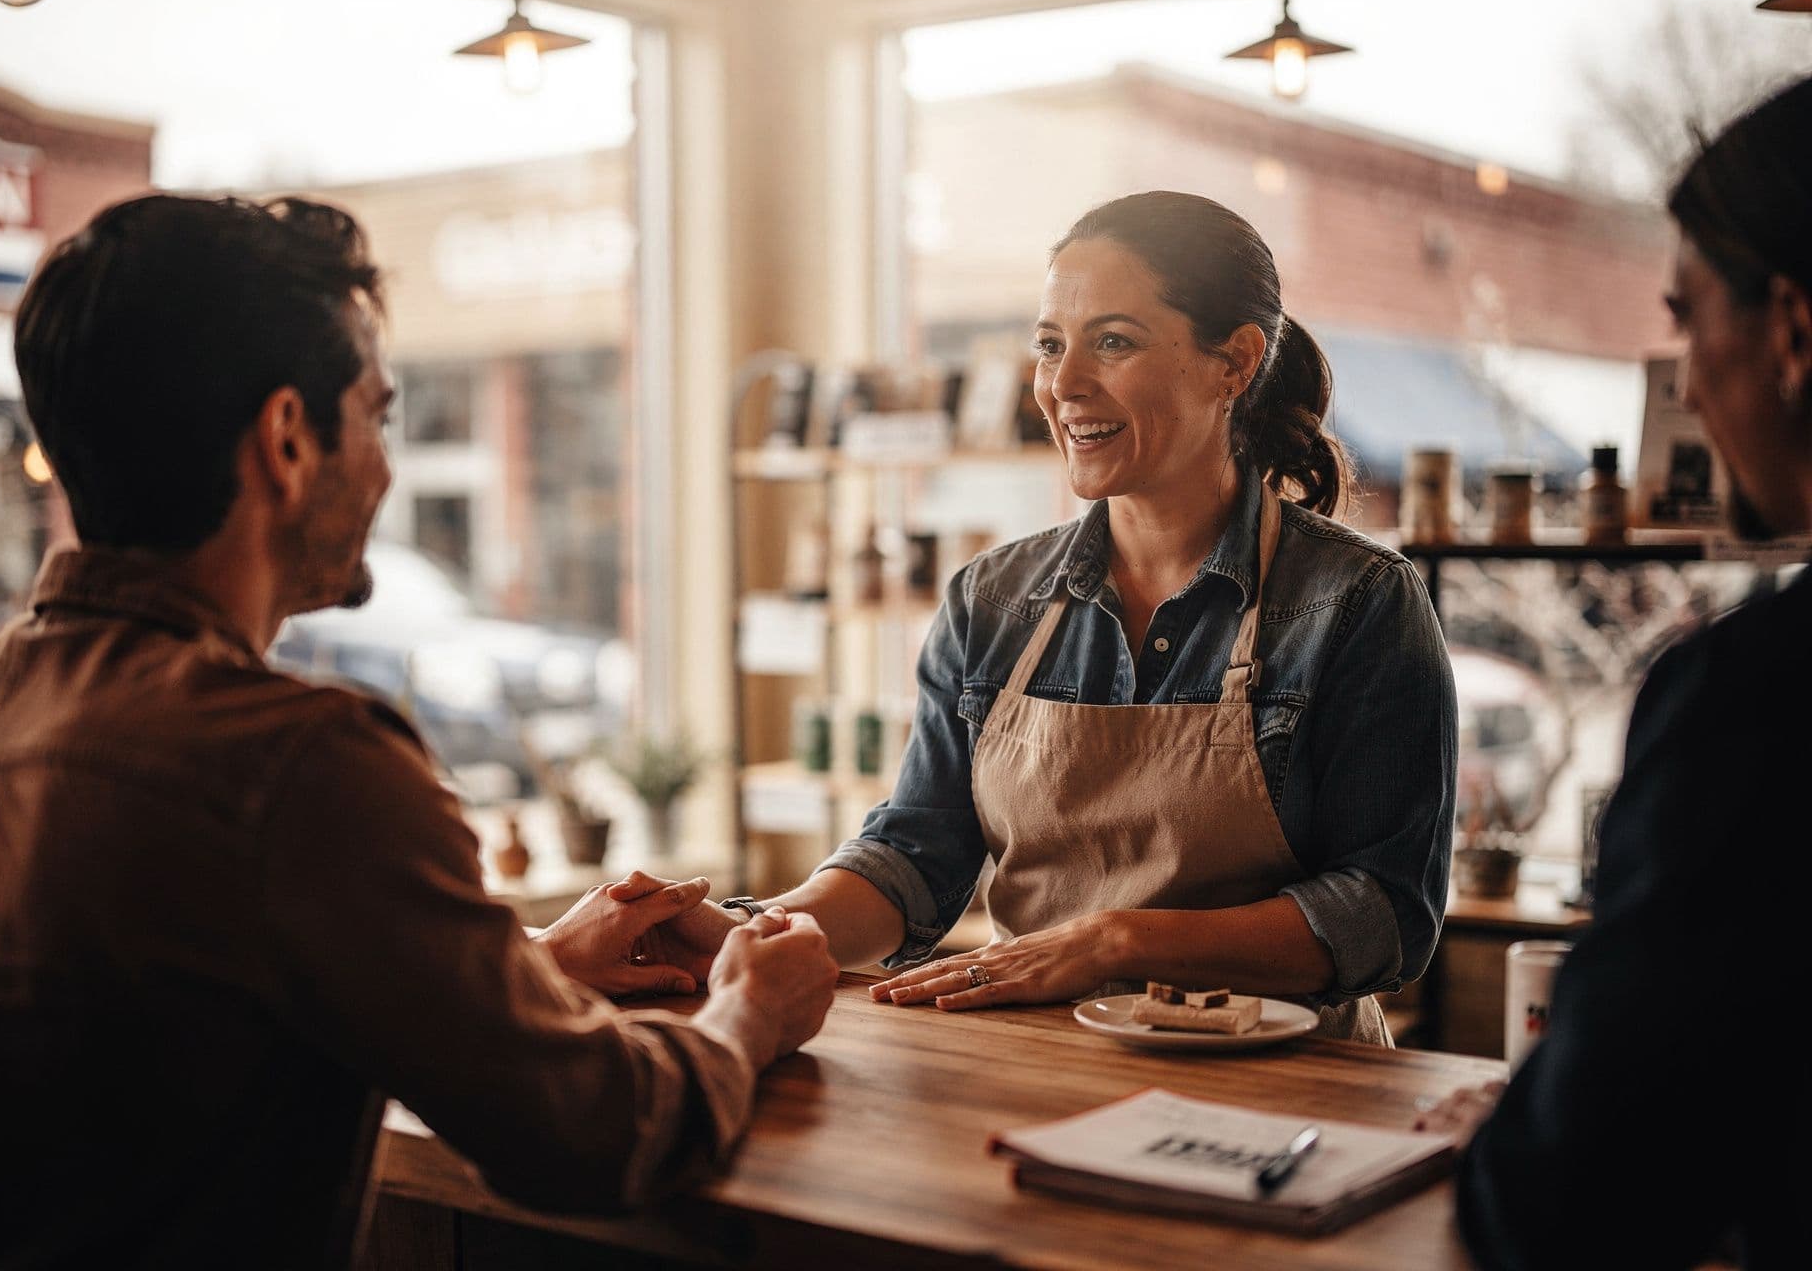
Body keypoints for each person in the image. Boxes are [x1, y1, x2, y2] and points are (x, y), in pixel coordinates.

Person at [0, 194, 838, 1268]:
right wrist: (751, 1011)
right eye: (380, 417)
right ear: (289, 439)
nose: (387, 468)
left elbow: (142, 1016)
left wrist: (528, 964)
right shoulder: (300, 765)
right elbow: (597, 1136)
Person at [639, 191, 1458, 1044]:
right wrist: (762, 928)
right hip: (1040, 1066)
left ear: (1235, 364)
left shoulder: (1357, 602)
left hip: (1289, 1086)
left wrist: (1116, 939)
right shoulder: (989, 602)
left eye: (1113, 342)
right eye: (1049, 345)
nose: (1063, 387)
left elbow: (1384, 915)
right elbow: (917, 855)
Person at [1408, 75, 1812, 1270]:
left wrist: (1510, 1137)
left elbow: (1573, 1206)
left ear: (1791, 330)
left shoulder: (1758, 701)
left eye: (1688, 321)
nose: (1685, 380)